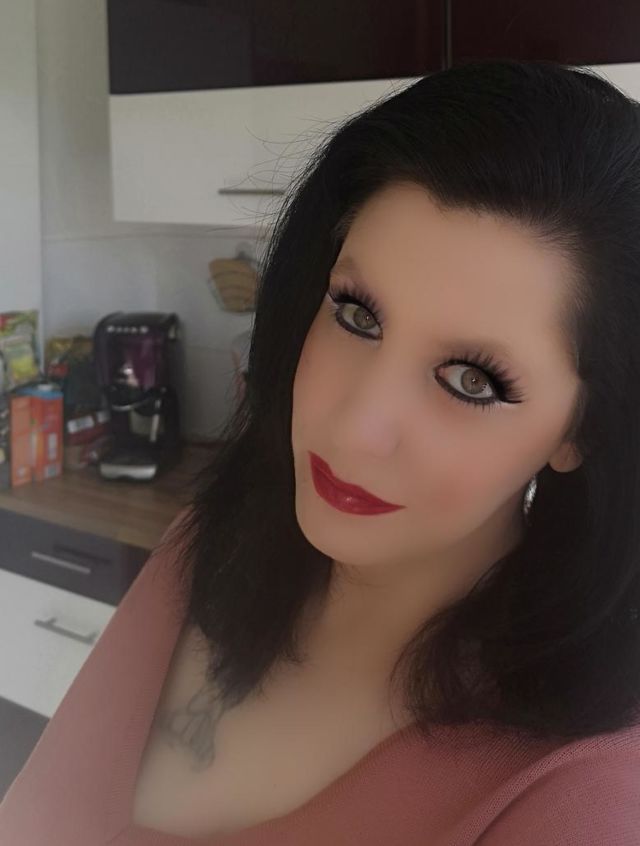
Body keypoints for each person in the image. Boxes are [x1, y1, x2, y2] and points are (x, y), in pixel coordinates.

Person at [2, 57, 640, 845]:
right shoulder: (210, 546)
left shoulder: (584, 797)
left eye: (471, 380)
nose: (355, 427)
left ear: (584, 430)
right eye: (357, 316)